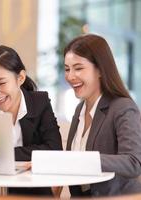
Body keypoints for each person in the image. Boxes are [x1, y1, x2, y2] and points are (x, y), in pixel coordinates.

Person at [0, 45, 63, 196]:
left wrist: (1, 154)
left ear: (20, 78)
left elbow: (54, 149)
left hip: (34, 192)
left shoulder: (40, 103)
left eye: (2, 83)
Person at [64, 34, 141, 197]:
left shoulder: (123, 107)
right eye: (67, 69)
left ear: (100, 70)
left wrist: (85, 160)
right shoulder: (80, 109)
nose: (70, 76)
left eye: (78, 68)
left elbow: (134, 162)